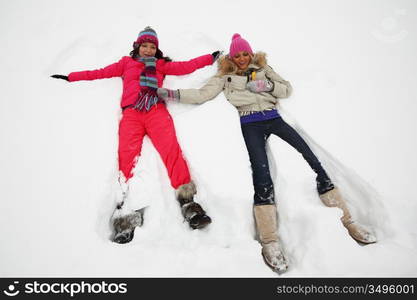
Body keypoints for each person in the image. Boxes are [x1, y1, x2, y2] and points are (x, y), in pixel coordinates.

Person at [157, 33, 377, 273]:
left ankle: (348, 220)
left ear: (250, 54)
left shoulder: (263, 68)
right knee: (261, 175)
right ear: (232, 56)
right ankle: (270, 240)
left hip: (275, 119)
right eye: (237, 54)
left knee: (312, 160)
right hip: (250, 123)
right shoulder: (225, 76)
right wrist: (174, 94)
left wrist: (268, 85)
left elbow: (287, 89)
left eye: (245, 54)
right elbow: (203, 94)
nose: (241, 58)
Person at [51, 26, 222, 244]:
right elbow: (100, 72)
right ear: (137, 46)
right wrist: (71, 77)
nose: (149, 50)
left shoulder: (161, 65)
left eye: (152, 47)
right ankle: (126, 214)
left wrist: (209, 58)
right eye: (145, 45)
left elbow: (185, 67)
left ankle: (189, 203)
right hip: (131, 113)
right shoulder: (126, 63)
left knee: (171, 151)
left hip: (156, 111)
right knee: (126, 157)